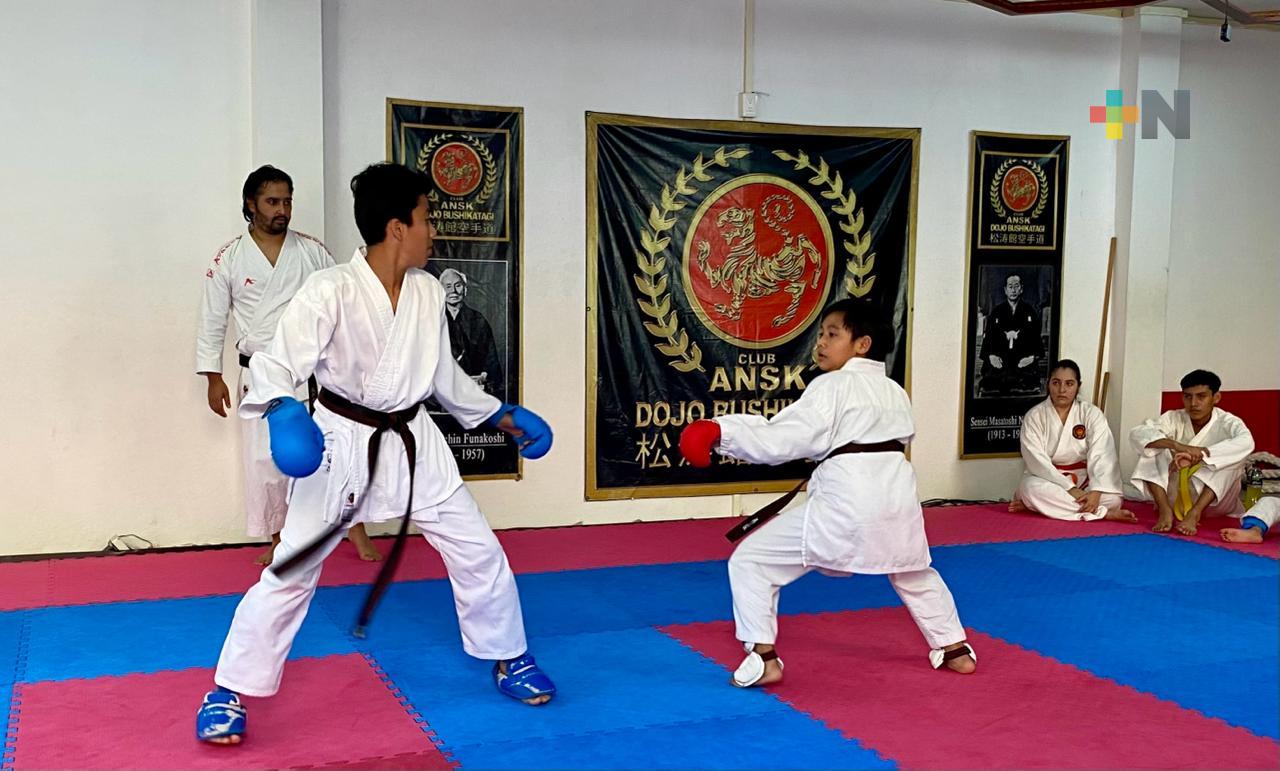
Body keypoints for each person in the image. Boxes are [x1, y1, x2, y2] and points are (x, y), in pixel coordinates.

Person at [195, 163, 557, 745]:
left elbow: (443, 376)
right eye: (426, 217)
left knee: (478, 549)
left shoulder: (427, 291)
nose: (433, 230)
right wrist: (284, 410)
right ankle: (228, 690)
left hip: (415, 444)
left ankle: (509, 655)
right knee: (291, 568)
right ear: (397, 227)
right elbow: (277, 364)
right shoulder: (330, 289)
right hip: (341, 442)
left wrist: (498, 415)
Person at [678, 299, 976, 689]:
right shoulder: (895, 391)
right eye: (820, 334)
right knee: (912, 570)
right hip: (897, 500)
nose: (820, 343)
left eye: (832, 334)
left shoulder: (832, 385)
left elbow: (783, 438)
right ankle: (955, 648)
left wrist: (721, 432)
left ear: (862, 344)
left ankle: (763, 658)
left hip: (847, 502)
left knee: (751, 561)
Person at [196, 165, 381, 565]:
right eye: (272, 201)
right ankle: (279, 537)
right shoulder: (230, 257)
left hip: (315, 371)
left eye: (287, 201)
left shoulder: (312, 251)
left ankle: (355, 528)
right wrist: (213, 376)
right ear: (251, 204)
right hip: (261, 371)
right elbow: (213, 318)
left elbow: (342, 304)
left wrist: (356, 362)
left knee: (338, 450)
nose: (282, 210)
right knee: (266, 461)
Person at [1129, 369, 1255, 536]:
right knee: (1152, 448)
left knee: (1233, 460)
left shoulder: (1228, 422)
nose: (1193, 403)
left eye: (1201, 396)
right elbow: (1138, 433)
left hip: (1216, 502)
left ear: (1216, 397)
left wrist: (1201, 454)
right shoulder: (1173, 418)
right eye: (1188, 396)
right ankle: (1164, 510)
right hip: (1175, 497)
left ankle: (1195, 513)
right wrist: (1178, 446)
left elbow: (1246, 442)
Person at [1009, 359, 1135, 523]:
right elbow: (1036, 461)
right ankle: (1103, 513)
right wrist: (1070, 488)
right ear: (1048, 384)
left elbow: (1102, 455)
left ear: (1078, 386)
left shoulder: (1091, 414)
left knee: (1113, 500)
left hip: (1084, 479)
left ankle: (1041, 506)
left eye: (1069, 384)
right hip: (1048, 479)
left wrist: (1096, 491)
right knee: (1031, 489)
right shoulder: (1034, 416)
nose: (1062, 389)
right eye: (1056, 383)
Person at [440, 267, 504, 397]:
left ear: (465, 289)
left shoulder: (478, 320)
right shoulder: (433, 319)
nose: (453, 291)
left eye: (458, 285)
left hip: (472, 388)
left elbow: (490, 358)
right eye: (448, 286)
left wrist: (483, 376)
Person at [979, 273, 1043, 395]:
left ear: (1021, 289)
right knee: (991, 380)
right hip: (1000, 358)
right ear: (1005, 290)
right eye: (1010, 286)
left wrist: (1031, 358)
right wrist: (991, 356)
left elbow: (1036, 339)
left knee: (1028, 379)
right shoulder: (997, 311)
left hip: (1022, 358)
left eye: (1016, 286)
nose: (1013, 290)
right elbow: (989, 338)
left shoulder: (1030, 311)